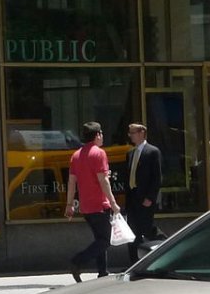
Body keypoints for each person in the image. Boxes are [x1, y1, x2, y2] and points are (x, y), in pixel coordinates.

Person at [64, 121, 121, 282]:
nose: (102, 136)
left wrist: (69, 205)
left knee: (99, 239)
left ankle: (102, 271)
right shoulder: (99, 153)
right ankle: (78, 261)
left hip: (86, 207)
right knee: (105, 240)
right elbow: (104, 180)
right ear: (97, 135)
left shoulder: (76, 155)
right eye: (101, 133)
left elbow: (71, 182)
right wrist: (113, 202)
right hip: (100, 205)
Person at [124, 122, 161, 263]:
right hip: (132, 198)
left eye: (132, 133)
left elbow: (156, 177)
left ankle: (163, 246)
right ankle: (133, 262)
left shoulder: (152, 152)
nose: (130, 136)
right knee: (132, 232)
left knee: (147, 228)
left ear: (141, 133)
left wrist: (150, 197)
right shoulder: (130, 153)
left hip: (145, 198)